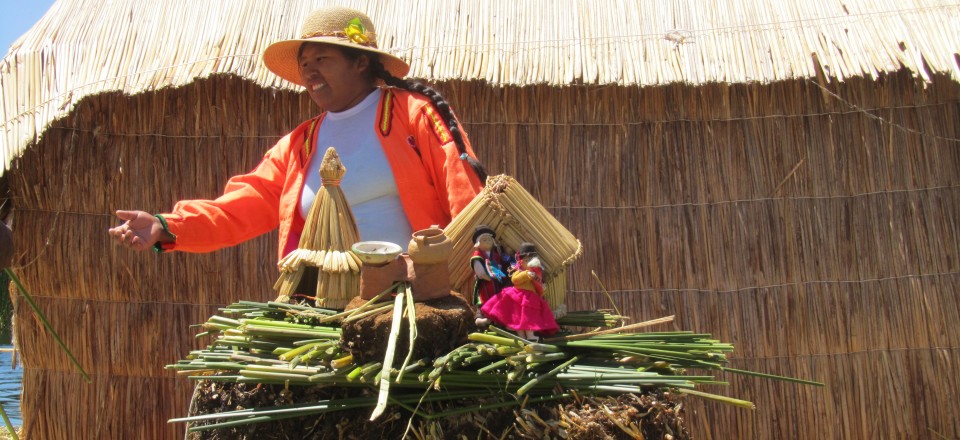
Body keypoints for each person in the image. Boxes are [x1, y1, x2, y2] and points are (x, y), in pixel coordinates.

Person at [108, 7, 486, 260]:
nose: (309, 72)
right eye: (305, 64)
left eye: (323, 59)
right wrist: (169, 226)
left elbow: (463, 192)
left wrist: (477, 269)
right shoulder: (300, 144)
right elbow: (245, 204)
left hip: (411, 301)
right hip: (324, 307)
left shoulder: (412, 114)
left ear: (360, 63)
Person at [480, 243, 559, 340]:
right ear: (521, 261)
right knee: (517, 318)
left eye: (530, 260)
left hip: (531, 299)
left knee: (529, 319)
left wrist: (540, 286)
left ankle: (531, 337)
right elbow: (515, 280)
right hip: (518, 296)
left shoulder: (536, 272)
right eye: (526, 260)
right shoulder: (520, 271)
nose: (528, 262)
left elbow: (538, 285)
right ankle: (521, 337)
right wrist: (526, 274)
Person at [469, 225, 511, 306]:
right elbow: (480, 272)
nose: (488, 241)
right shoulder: (478, 255)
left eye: (489, 239)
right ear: (478, 243)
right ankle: (482, 313)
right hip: (485, 283)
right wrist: (489, 278)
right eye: (484, 240)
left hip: (497, 281)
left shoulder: (495, 255)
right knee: (485, 299)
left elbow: (500, 267)